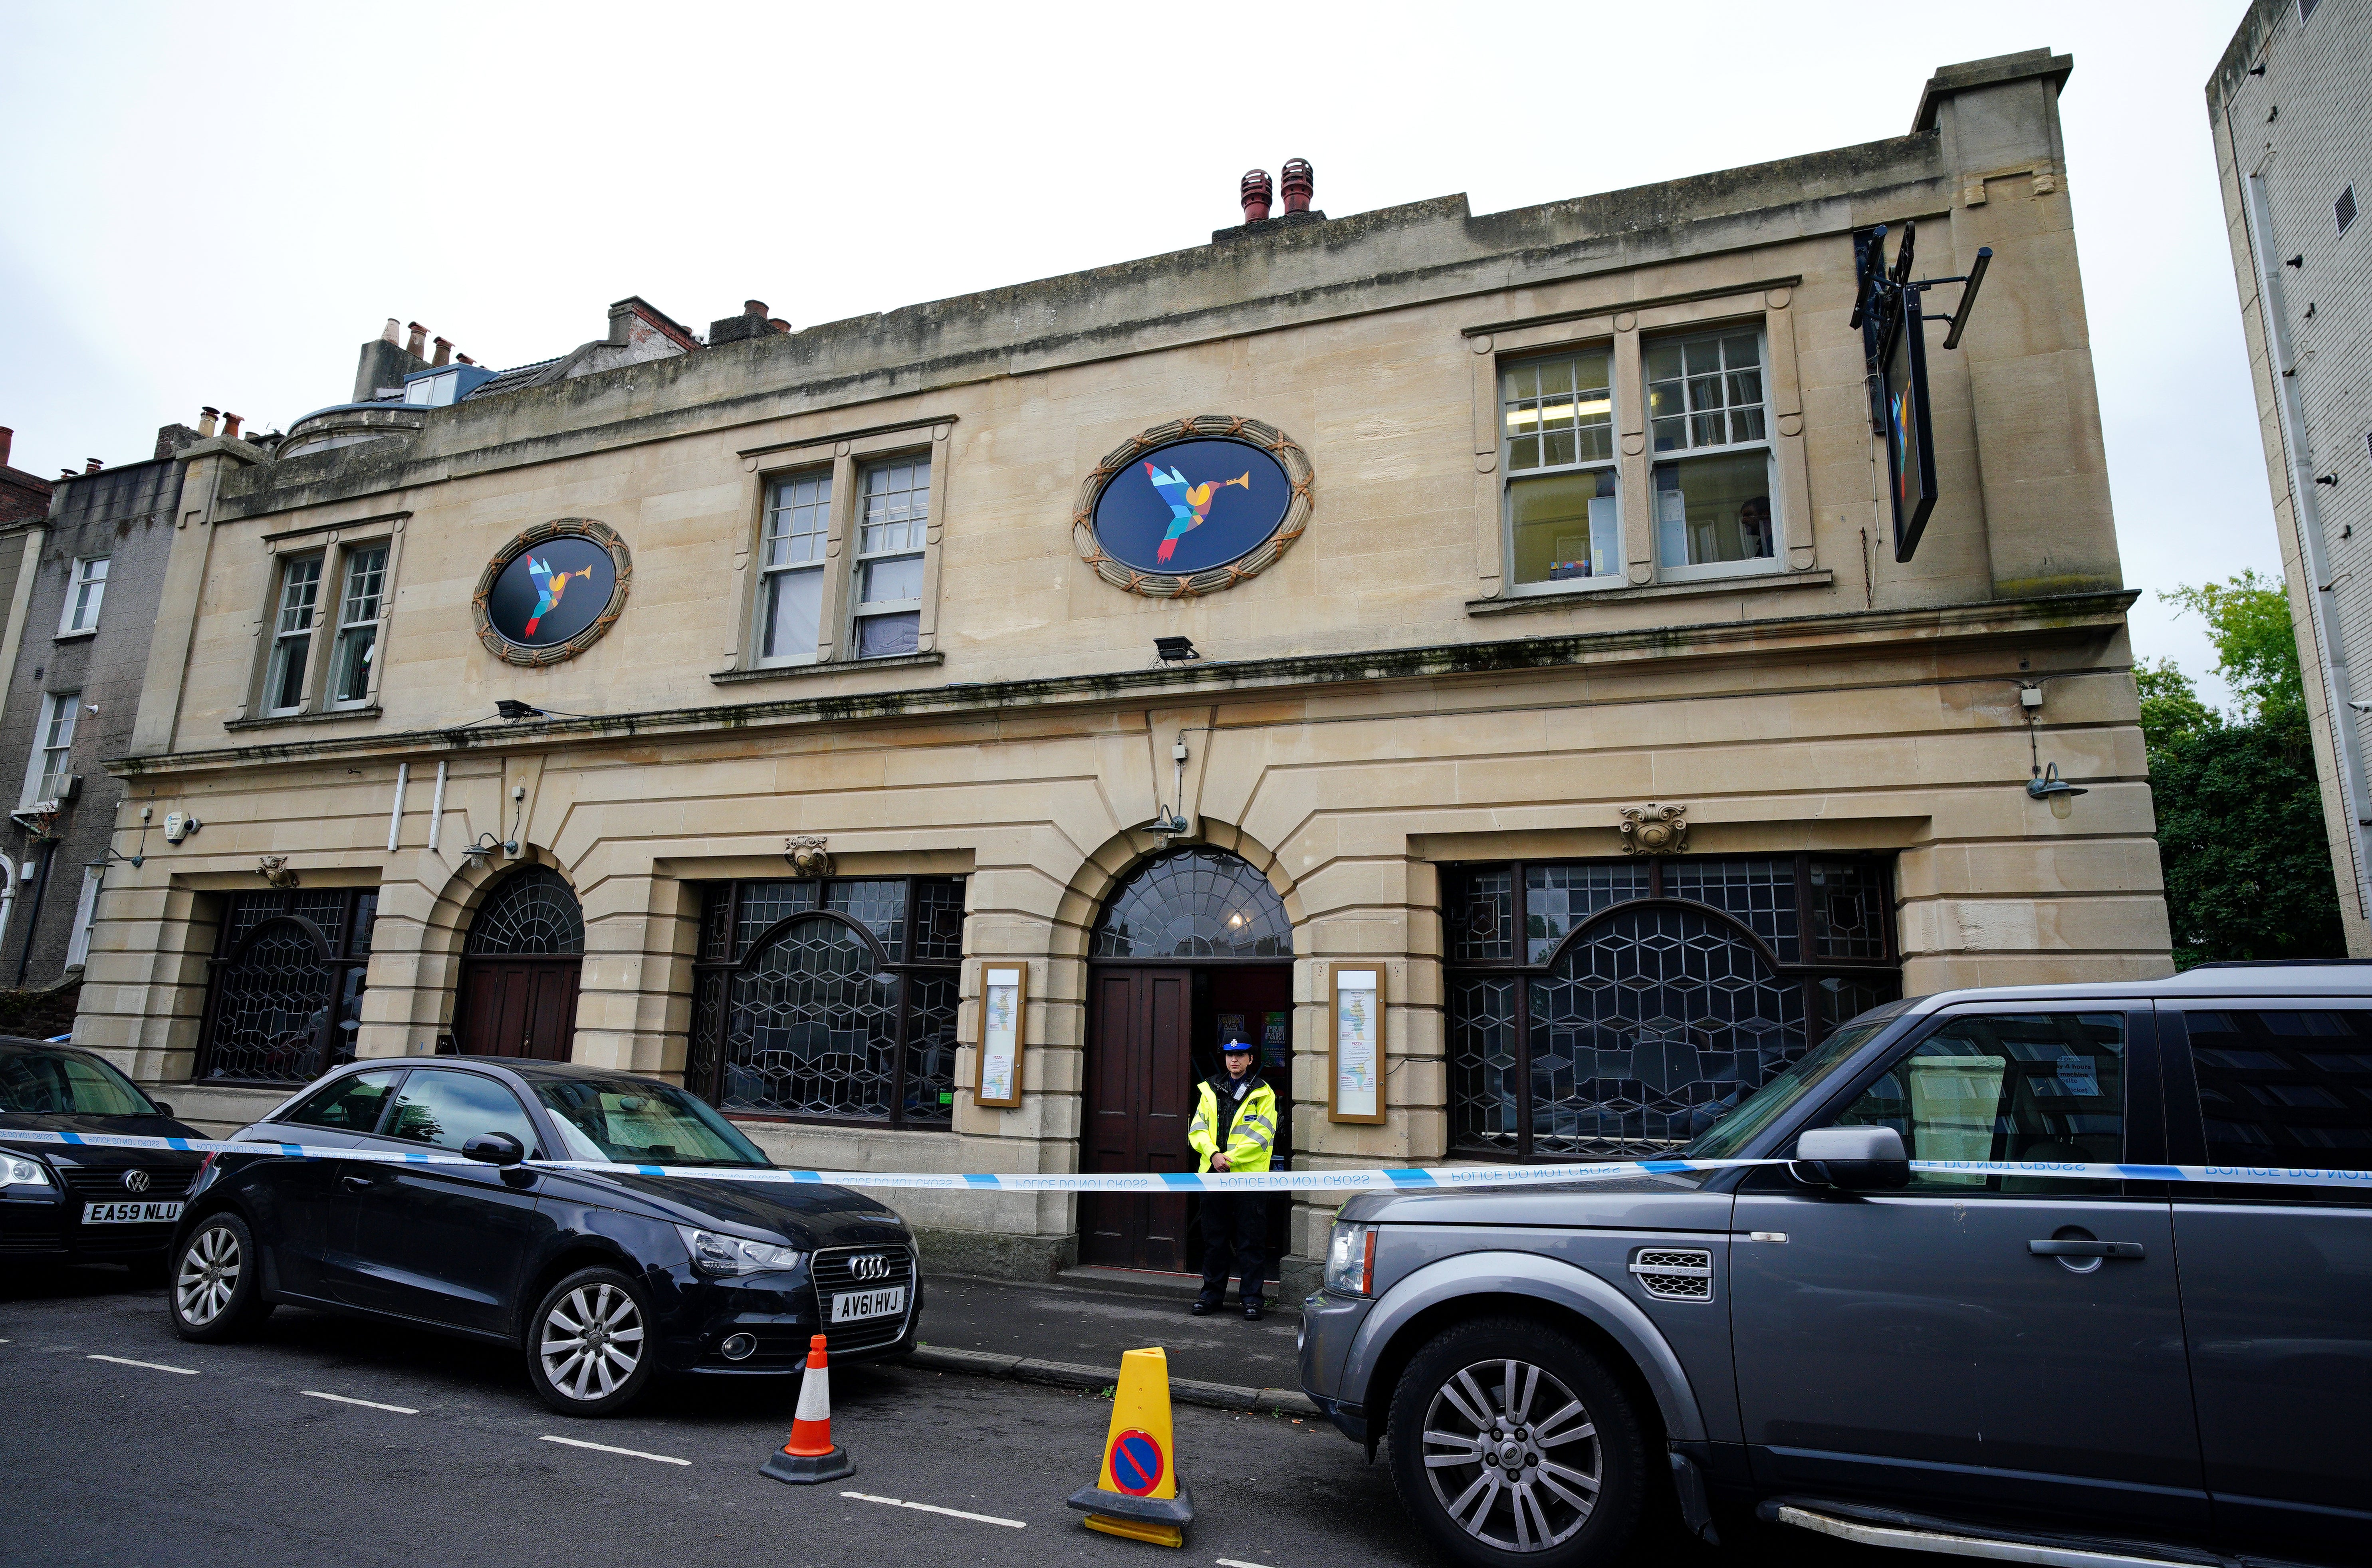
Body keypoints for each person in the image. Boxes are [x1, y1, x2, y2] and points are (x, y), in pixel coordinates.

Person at [1186, 1034, 1279, 1319]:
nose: (1234, 1060)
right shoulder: (1210, 1088)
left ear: (1251, 1059)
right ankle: (1211, 1294)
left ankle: (1252, 1298)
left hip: (1249, 1179)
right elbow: (1197, 1129)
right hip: (1213, 1175)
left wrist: (1230, 1159)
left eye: (1240, 1055)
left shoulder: (1264, 1092)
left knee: (1251, 1241)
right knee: (1214, 1238)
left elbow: (1262, 1135)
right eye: (1229, 1055)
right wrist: (1214, 1154)